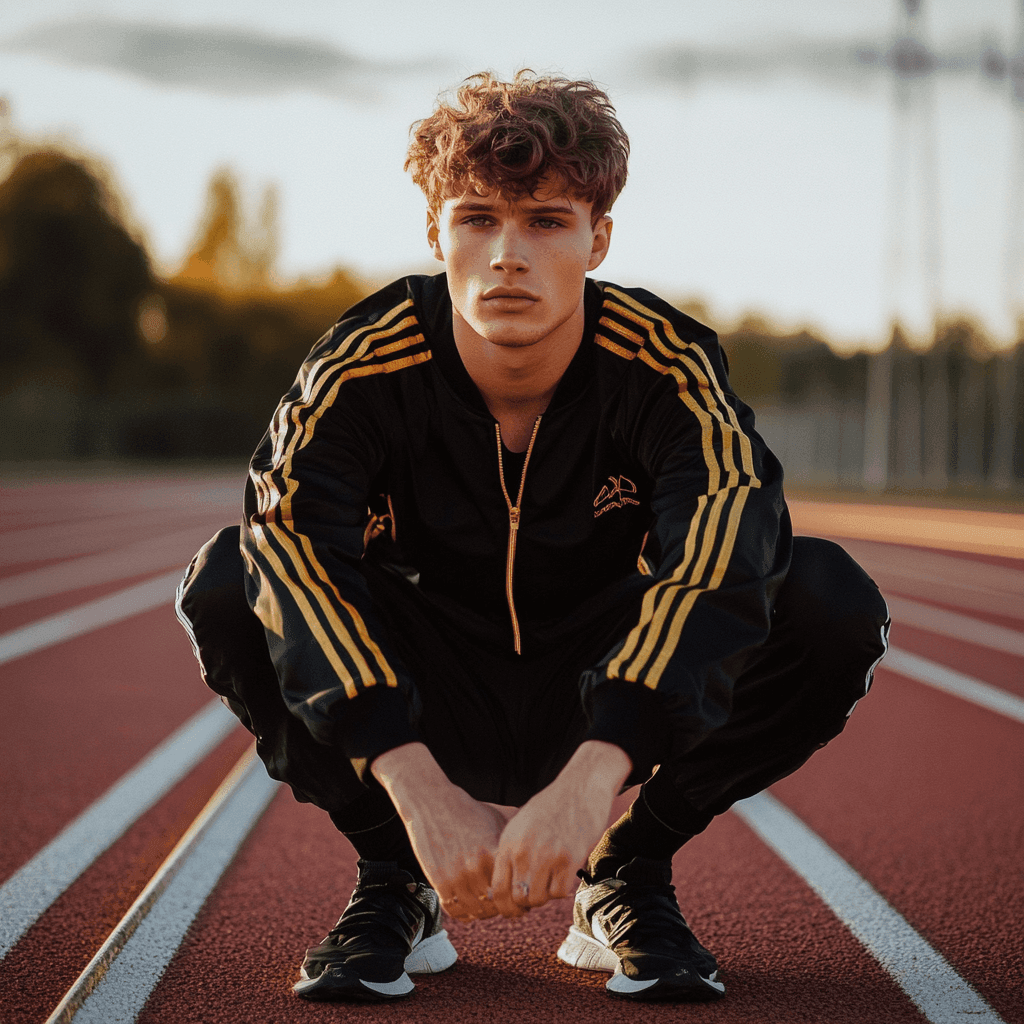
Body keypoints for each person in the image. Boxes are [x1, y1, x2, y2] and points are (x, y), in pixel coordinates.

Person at [176, 70, 890, 1005]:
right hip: (427, 683)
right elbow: (295, 552)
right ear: (436, 232)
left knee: (827, 598)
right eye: (476, 219)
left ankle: (627, 872)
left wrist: (602, 771)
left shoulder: (664, 366)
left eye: (546, 222)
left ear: (599, 237)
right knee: (232, 580)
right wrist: (410, 781)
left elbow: (725, 551)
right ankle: (398, 882)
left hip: (598, 683)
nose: (506, 255)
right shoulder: (359, 368)